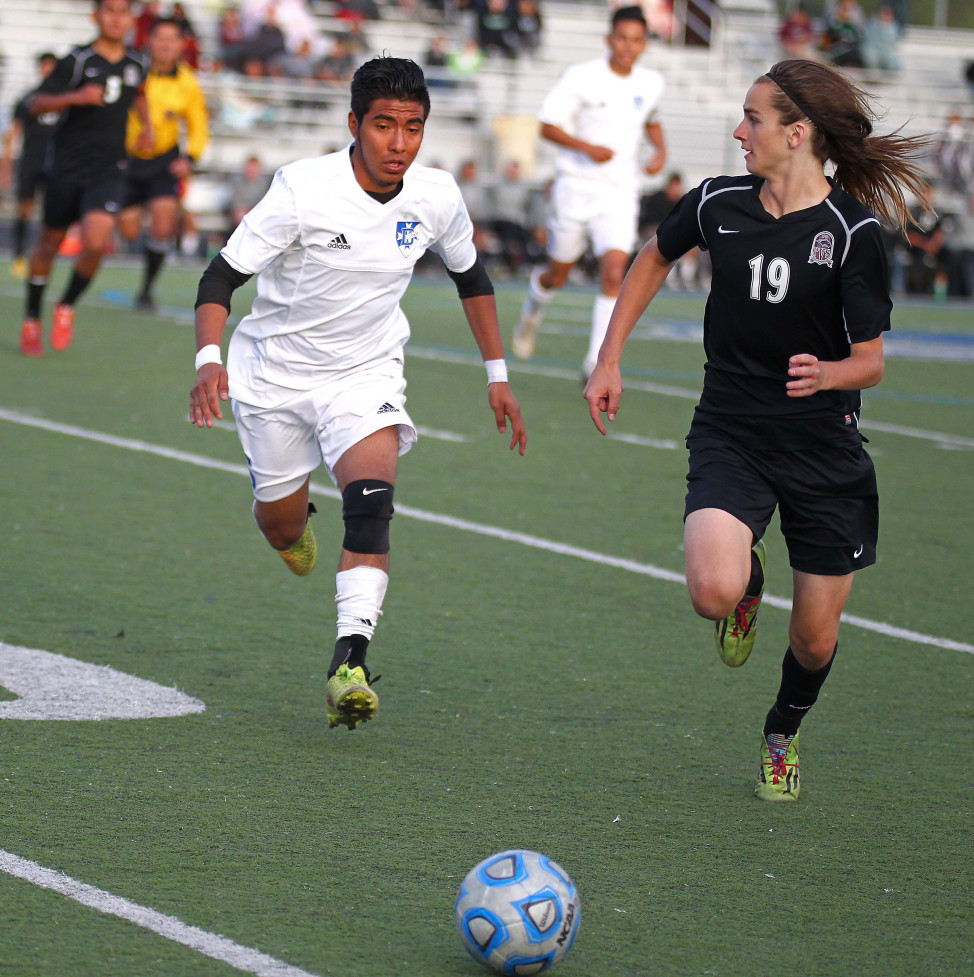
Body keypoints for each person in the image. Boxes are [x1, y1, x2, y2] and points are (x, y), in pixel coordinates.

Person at [583, 58, 931, 802]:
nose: (740, 132)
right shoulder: (716, 202)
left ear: (797, 133)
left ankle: (782, 731)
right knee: (713, 591)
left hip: (822, 448)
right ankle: (747, 580)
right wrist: (609, 357)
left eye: (754, 119)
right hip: (731, 428)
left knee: (814, 638)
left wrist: (828, 374)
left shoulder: (851, 231)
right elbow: (652, 258)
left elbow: (870, 361)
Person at [188, 56, 527, 731]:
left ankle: (351, 661)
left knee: (372, 504)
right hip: (275, 377)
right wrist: (207, 360)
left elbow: (473, 277)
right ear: (353, 124)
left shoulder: (435, 196)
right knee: (279, 524)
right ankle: (291, 529)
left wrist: (498, 375)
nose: (399, 143)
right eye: (383, 126)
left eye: (413, 128)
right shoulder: (302, 189)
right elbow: (220, 277)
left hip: (365, 374)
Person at [512, 5, 666, 379]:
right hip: (575, 188)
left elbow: (652, 119)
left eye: (635, 40)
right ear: (608, 39)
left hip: (619, 192)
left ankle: (595, 361)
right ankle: (533, 308)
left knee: (615, 272)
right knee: (558, 273)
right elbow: (547, 126)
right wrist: (587, 148)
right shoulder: (581, 77)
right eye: (621, 38)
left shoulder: (651, 82)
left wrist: (660, 150)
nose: (628, 47)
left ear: (644, 43)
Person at [18, 0, 150, 357]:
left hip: (108, 169)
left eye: (123, 11)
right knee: (49, 243)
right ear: (96, 16)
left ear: (130, 18)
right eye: (109, 10)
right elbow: (34, 103)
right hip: (66, 167)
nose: (116, 18)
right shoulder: (76, 61)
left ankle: (67, 305)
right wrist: (75, 96)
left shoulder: (138, 62)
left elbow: (139, 95)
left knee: (95, 242)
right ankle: (31, 316)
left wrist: (147, 128)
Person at [119, 16, 209, 311]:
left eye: (173, 39)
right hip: (126, 160)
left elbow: (198, 125)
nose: (166, 44)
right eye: (160, 37)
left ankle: (146, 289)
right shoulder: (131, 71)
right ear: (149, 40)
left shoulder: (188, 83)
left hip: (164, 161)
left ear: (182, 45)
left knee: (162, 224)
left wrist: (190, 158)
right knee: (129, 230)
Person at [0, 52, 59, 280]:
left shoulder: (66, 98)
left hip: (57, 161)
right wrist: (6, 163)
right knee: (24, 208)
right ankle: (19, 254)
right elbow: (14, 130)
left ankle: (44, 255)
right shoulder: (29, 98)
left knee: (53, 211)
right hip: (31, 160)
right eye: (44, 66)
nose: (48, 70)